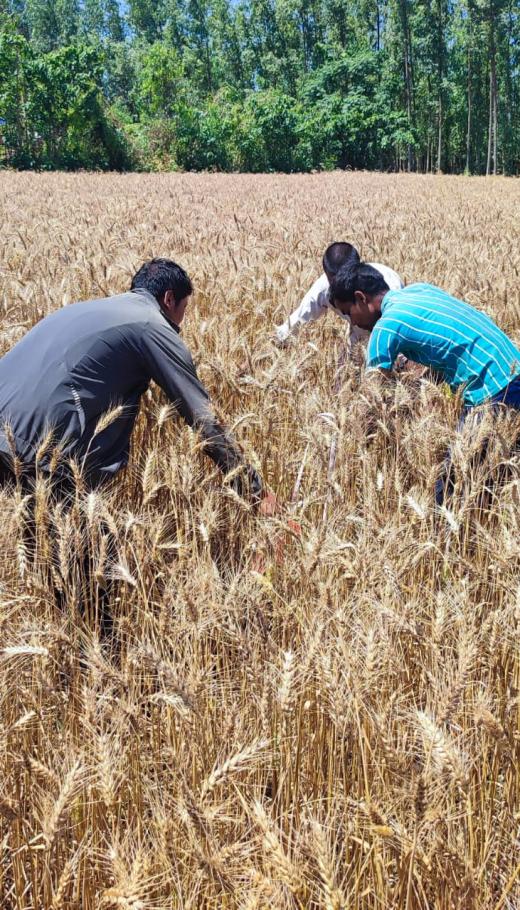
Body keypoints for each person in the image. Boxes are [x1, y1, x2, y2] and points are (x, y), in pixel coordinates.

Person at [0, 258, 262, 500]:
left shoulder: (84, 308)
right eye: (184, 308)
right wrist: (253, 489)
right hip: (39, 448)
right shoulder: (152, 325)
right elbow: (202, 415)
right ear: (169, 299)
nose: (182, 322)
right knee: (75, 535)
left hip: (10, 430)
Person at [329, 263, 520, 504]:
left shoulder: (385, 328)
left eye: (348, 312)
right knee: (500, 478)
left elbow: (372, 402)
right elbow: (446, 341)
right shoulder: (420, 290)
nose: (352, 323)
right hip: (513, 368)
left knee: (450, 490)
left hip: (493, 390)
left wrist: (355, 453)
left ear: (361, 298)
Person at [274, 241, 403, 347]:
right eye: (335, 282)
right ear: (328, 276)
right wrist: (276, 341)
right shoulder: (323, 288)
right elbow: (299, 318)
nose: (340, 288)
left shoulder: (389, 286)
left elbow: (399, 330)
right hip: (359, 340)